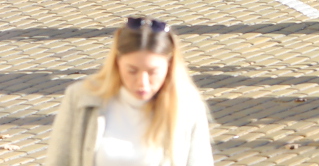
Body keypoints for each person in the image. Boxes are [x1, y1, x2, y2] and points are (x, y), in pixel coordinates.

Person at [44, 17, 214, 166]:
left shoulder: (187, 106)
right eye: (132, 70)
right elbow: (58, 160)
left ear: (170, 66)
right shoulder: (81, 97)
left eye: (153, 72)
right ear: (117, 62)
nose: (142, 83)